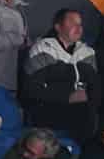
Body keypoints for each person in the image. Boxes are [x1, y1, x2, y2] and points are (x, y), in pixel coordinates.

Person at [19, 7, 98, 136]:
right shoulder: (42, 49)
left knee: (91, 113)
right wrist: (68, 96)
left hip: (80, 110)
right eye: (72, 23)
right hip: (45, 109)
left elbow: (92, 88)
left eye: (80, 24)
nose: (78, 28)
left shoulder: (88, 52)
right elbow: (31, 90)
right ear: (58, 27)